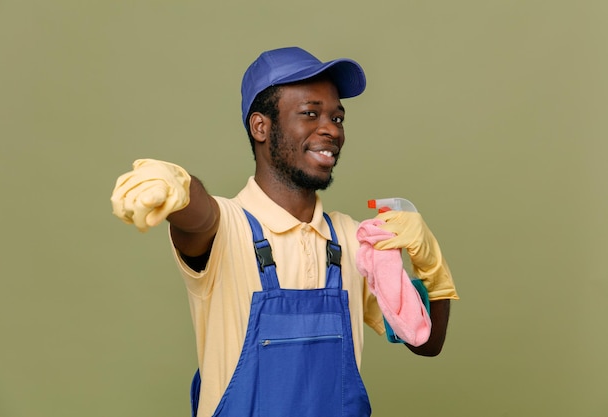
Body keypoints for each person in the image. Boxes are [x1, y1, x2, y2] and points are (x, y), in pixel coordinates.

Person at [110, 46, 459, 417]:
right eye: (310, 114)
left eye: (337, 118)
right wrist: (178, 185)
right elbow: (197, 215)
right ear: (261, 126)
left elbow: (426, 342)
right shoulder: (227, 226)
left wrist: (432, 266)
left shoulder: (354, 241)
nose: (330, 129)